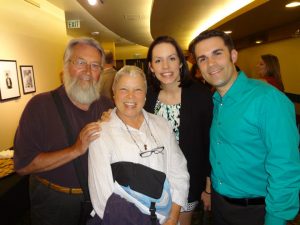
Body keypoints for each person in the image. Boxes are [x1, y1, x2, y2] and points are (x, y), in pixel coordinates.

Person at [189, 29, 300, 225]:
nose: (211, 64)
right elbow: (219, 154)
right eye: (202, 59)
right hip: (219, 205)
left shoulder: (268, 99)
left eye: (217, 53)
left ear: (233, 55)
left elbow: (286, 167)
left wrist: (276, 219)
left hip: (256, 212)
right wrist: (209, 190)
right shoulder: (215, 101)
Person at [13, 37, 114, 225]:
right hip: (54, 204)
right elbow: (23, 166)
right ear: (66, 66)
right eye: (80, 62)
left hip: (97, 200)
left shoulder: (107, 106)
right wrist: (76, 149)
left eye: (94, 66)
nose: (87, 72)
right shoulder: (39, 106)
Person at [88, 65, 189, 225]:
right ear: (113, 92)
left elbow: (179, 173)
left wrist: (173, 217)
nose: (131, 96)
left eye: (138, 90)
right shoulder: (101, 134)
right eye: (123, 89)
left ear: (145, 94)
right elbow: (103, 199)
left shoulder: (161, 124)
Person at [144, 36, 213, 225]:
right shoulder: (147, 96)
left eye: (172, 58)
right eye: (158, 60)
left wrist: (208, 188)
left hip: (189, 181)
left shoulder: (200, 95)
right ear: (151, 66)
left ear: (181, 63)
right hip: (153, 181)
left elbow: (210, 144)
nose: (165, 66)